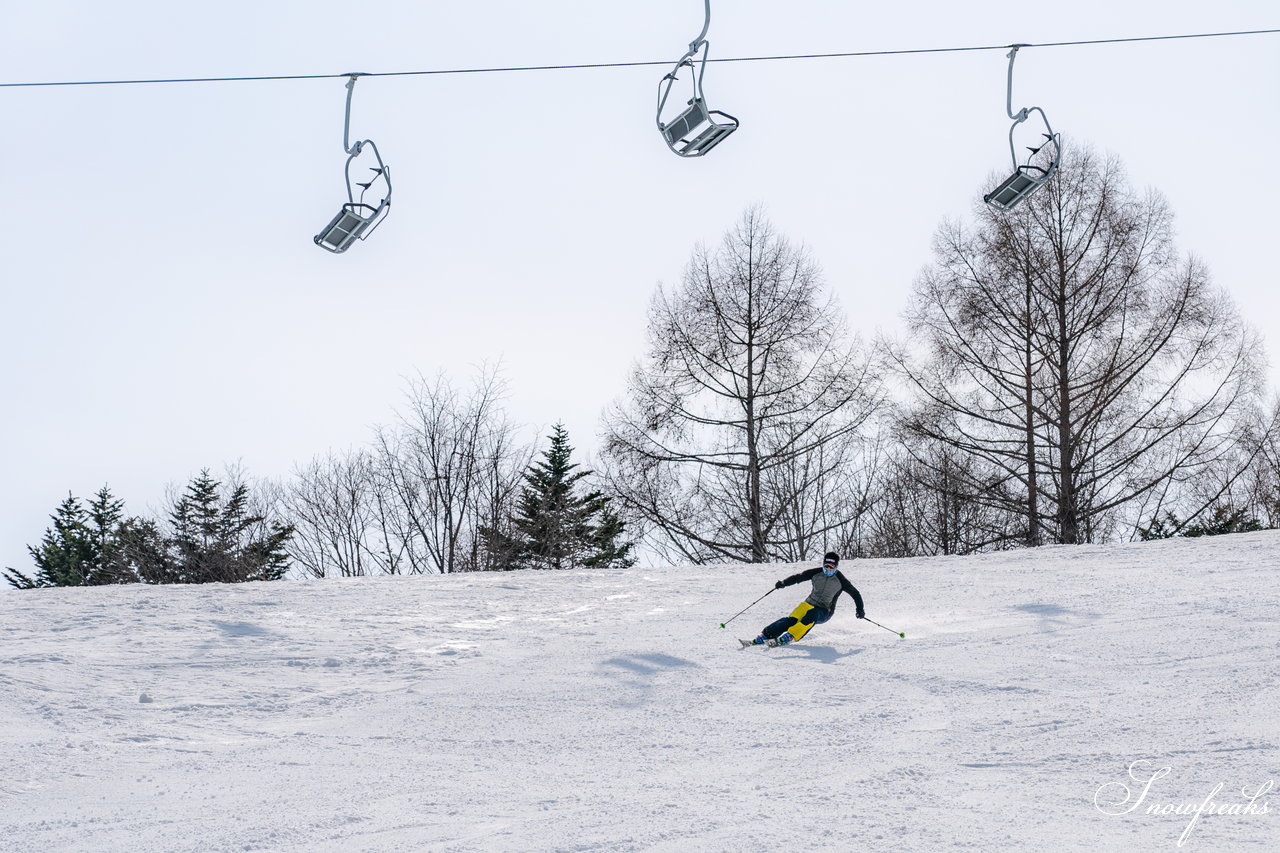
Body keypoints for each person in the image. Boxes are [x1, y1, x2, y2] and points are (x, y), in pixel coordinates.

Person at [743, 551, 865, 647]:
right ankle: (765, 635)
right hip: (808, 604)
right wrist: (783, 583)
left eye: (831, 568)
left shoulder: (841, 580)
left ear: (836, 567)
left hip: (824, 611)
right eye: (826, 566)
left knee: (812, 614)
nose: (828, 570)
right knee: (790, 620)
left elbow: (855, 593)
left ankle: (790, 636)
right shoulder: (816, 573)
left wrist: (860, 609)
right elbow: (798, 577)